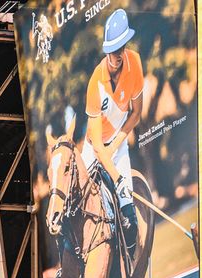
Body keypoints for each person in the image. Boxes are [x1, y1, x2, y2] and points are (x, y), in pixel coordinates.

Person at [83, 10, 143, 251]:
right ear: (106, 48)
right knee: (77, 205)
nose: (117, 54)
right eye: (112, 49)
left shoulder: (135, 62)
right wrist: (116, 177)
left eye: (121, 48)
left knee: (130, 219)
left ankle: (129, 274)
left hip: (118, 146)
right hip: (92, 149)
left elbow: (136, 113)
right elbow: (98, 146)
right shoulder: (95, 82)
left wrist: (117, 146)